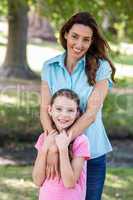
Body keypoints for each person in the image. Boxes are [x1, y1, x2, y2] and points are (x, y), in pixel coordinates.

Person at [40, 12, 116, 200]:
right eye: (75, 36)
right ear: (66, 33)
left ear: (92, 42)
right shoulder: (49, 67)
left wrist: (60, 145)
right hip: (55, 153)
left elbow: (90, 114)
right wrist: (52, 147)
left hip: (92, 153)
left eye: (86, 39)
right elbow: (44, 110)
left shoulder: (101, 67)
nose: (79, 44)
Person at [33, 89, 90, 200]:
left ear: (77, 113)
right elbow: (37, 180)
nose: (64, 115)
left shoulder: (81, 141)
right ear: (50, 110)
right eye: (58, 109)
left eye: (70, 110)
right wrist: (45, 148)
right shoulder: (44, 138)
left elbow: (69, 183)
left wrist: (63, 149)